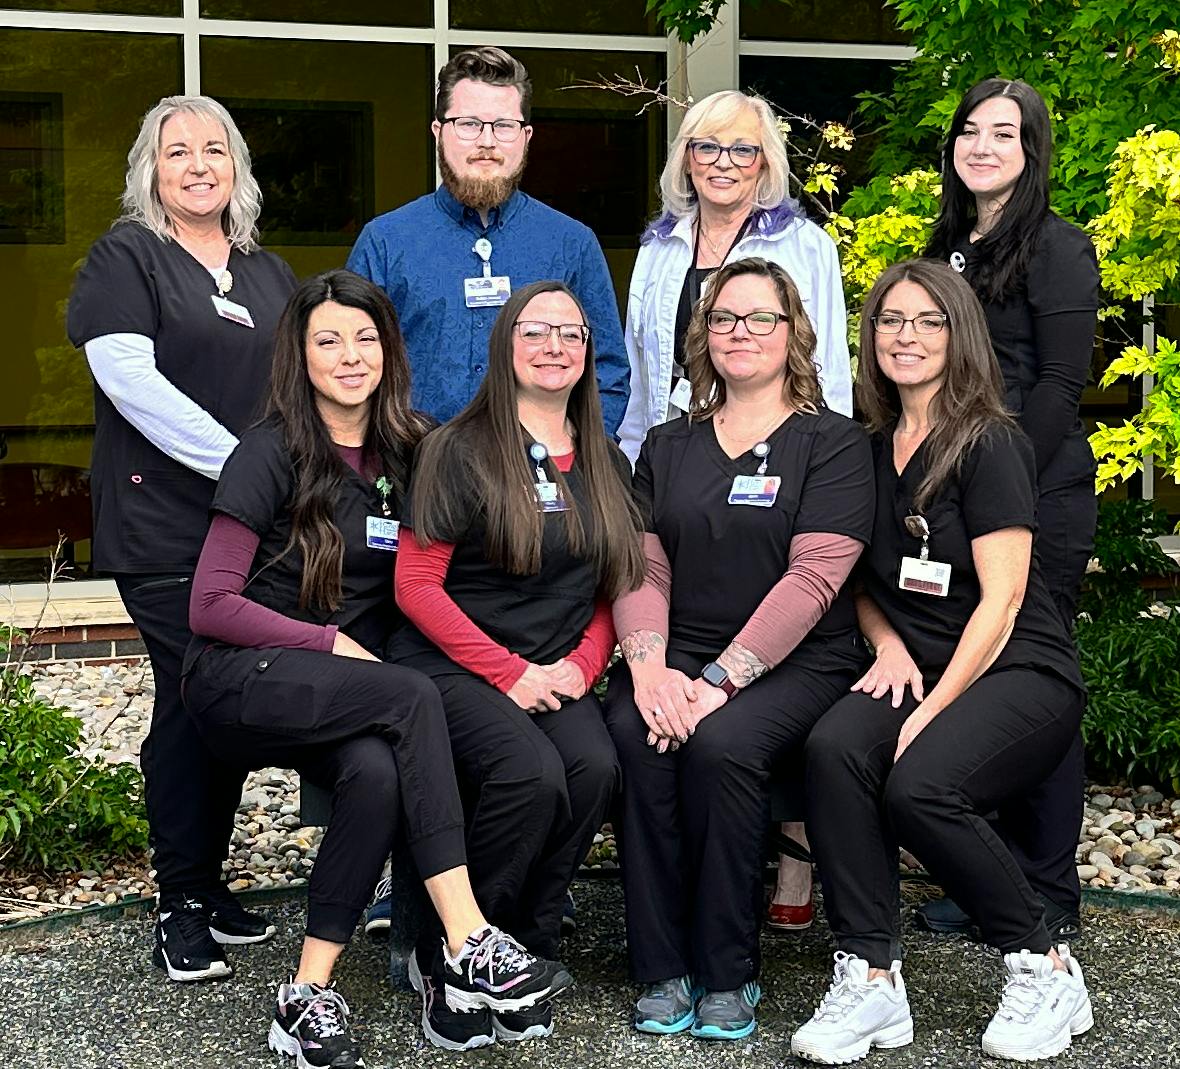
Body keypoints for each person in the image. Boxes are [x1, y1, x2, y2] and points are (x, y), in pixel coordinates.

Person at [182, 270, 573, 1068]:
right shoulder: (269, 450)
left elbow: (442, 575)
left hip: (348, 696)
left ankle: (306, 993)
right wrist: (328, 644)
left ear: (390, 349)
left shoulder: (413, 447)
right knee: (410, 695)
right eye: (328, 340)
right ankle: (466, 936)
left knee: (377, 772)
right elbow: (210, 604)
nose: (350, 355)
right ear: (300, 354)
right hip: (241, 674)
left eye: (365, 338)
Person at [791, 260, 1093, 1065]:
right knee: (834, 748)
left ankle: (1044, 961)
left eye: (929, 320)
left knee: (922, 784)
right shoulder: (863, 446)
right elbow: (856, 581)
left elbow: (1001, 602)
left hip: (1016, 669)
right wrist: (887, 646)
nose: (908, 336)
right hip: (916, 663)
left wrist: (930, 712)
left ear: (959, 334)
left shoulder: (992, 441)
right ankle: (872, 977)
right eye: (892, 320)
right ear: (871, 336)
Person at [605, 257, 874, 1041]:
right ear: (703, 336)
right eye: (724, 318)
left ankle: (726, 972)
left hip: (799, 658)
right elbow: (642, 564)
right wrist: (650, 668)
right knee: (635, 732)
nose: (741, 332)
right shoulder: (666, 444)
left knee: (721, 745)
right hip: (676, 646)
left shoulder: (834, 442)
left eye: (762, 318)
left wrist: (718, 681)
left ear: (793, 334)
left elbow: (815, 579)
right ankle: (661, 966)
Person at [66, 94, 297, 981]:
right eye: (177, 152)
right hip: (161, 523)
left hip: (251, 527)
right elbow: (132, 384)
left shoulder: (268, 272)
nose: (198, 165)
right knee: (191, 689)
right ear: (149, 171)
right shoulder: (127, 257)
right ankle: (179, 900)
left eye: (215, 149)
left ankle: (206, 883)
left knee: (223, 694)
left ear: (237, 166)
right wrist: (246, 466)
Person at [385, 280, 644, 1049]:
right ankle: (452, 955)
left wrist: (586, 663)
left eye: (571, 333)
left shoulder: (604, 459)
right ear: (506, 346)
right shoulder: (456, 449)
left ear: (590, 351)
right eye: (536, 332)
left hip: (555, 670)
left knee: (595, 766)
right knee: (530, 773)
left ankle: (524, 945)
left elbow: (612, 586)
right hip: (454, 667)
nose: (554, 347)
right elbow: (414, 585)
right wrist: (509, 672)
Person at [917, 77, 1100, 941]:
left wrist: (1003, 484)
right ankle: (996, 875)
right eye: (970, 132)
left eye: (1005, 133)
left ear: (1032, 151)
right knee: (980, 671)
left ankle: (1050, 893)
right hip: (960, 492)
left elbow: (1064, 383)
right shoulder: (950, 244)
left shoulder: (1058, 248)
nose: (983, 146)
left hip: (1037, 491)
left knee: (1035, 679)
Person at [347, 46, 629, 434]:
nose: (487, 141)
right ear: (438, 132)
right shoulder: (386, 242)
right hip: (412, 475)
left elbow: (607, 372)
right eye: (469, 123)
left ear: (526, 137)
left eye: (503, 125)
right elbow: (352, 367)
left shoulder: (572, 244)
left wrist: (576, 466)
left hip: (538, 480)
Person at [617, 89, 852, 466]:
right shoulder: (658, 250)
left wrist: (832, 462)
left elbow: (831, 370)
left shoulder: (805, 246)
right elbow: (639, 378)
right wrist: (632, 461)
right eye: (707, 148)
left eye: (743, 150)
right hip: (672, 448)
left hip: (776, 450)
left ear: (764, 163)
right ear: (687, 160)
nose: (723, 163)